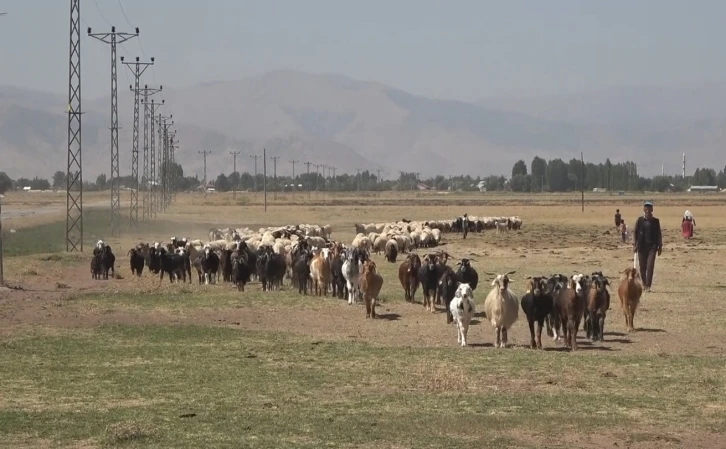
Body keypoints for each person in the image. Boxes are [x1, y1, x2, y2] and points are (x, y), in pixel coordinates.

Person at [633, 201, 662, 292]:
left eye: (649, 209)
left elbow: (659, 234)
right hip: (641, 247)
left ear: (652, 210)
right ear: (644, 210)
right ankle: (644, 284)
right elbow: (635, 232)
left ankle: (648, 286)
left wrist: (660, 246)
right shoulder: (640, 220)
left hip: (652, 247)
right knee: (642, 267)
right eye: (646, 209)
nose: (648, 210)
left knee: (650, 266)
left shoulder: (656, 221)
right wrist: (634, 244)